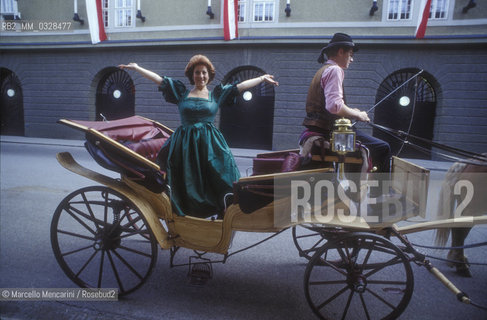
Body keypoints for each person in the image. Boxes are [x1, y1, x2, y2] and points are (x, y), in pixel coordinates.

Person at [119, 55, 278, 218]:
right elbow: (159, 80)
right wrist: (138, 68)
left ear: (209, 75)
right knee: (187, 180)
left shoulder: (217, 94)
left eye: (204, 73)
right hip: (184, 145)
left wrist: (261, 78)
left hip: (210, 145)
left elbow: (239, 87)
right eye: (197, 72)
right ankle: (186, 216)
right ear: (191, 75)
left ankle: (221, 209)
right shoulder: (181, 93)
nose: (201, 76)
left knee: (218, 176)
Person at [301, 33, 391, 197]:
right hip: (330, 132)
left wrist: (352, 112)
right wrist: (359, 116)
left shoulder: (324, 69)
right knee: (383, 148)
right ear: (341, 51)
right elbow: (334, 106)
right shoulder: (335, 70)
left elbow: (333, 105)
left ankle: (354, 191)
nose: (352, 59)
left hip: (320, 128)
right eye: (350, 54)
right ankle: (380, 198)